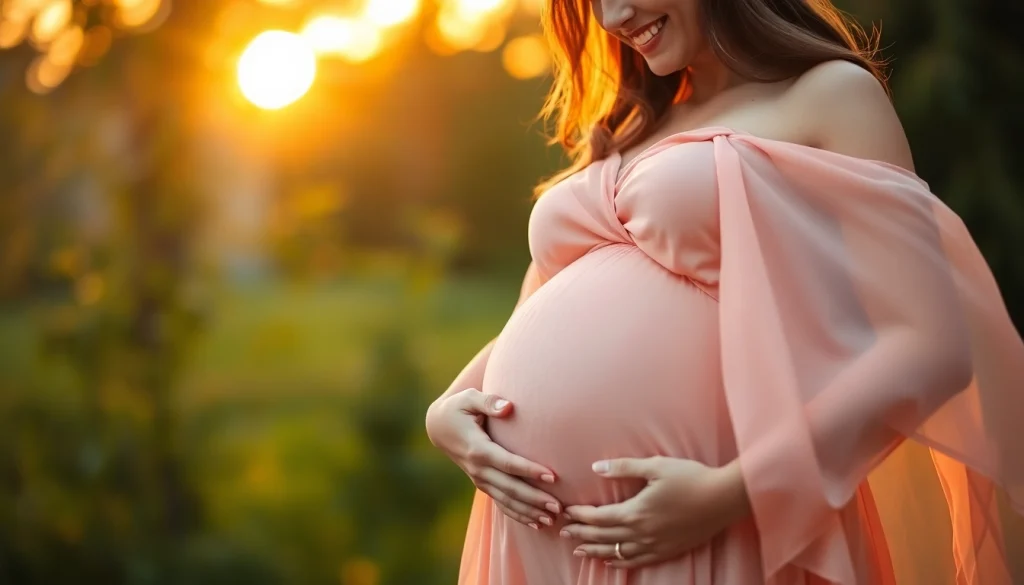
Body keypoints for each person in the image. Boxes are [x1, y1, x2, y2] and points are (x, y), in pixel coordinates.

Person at [425, 1, 1024, 583]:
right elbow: (533, 313)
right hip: (536, 537)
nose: (611, 18)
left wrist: (733, 494)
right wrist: (448, 411)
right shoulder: (624, 128)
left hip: (715, 530)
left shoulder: (830, 95)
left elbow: (929, 346)